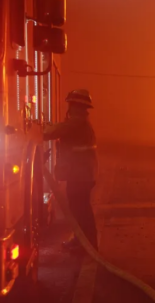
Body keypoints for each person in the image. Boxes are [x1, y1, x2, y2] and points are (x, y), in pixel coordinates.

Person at [43, 89, 98, 251]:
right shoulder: (81, 123)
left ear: (76, 106)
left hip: (80, 176)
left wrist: (37, 129)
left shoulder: (76, 123)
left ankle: (87, 244)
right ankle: (82, 241)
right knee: (78, 210)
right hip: (82, 174)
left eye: (71, 104)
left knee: (81, 211)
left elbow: (52, 132)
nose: (70, 108)